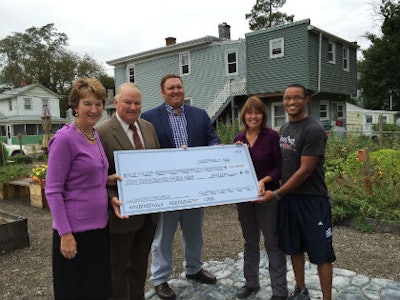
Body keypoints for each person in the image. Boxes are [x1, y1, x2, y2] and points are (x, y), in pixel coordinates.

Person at [141, 74, 221, 300]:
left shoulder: (200, 114)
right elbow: (146, 150)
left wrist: (218, 149)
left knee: (194, 232)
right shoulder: (149, 118)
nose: (176, 91)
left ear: (183, 89)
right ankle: (160, 278)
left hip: (195, 187)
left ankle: (194, 269)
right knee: (163, 236)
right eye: (170, 88)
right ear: (163, 92)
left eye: (179, 86)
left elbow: (211, 139)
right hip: (167, 188)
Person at [257, 84, 336, 300]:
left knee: (322, 254)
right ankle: (301, 290)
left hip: (312, 200)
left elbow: (305, 171)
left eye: (296, 98)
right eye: (287, 98)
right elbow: (281, 165)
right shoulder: (284, 129)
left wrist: (276, 194)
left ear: (306, 99)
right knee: (294, 247)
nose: (291, 102)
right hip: (289, 200)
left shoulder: (313, 130)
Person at [45, 78, 119, 300]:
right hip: (75, 231)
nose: (94, 109)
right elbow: (53, 190)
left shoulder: (93, 134)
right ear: (75, 106)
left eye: (98, 104)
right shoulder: (64, 139)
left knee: (98, 288)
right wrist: (65, 234)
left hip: (99, 227)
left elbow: (84, 178)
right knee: (76, 291)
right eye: (87, 103)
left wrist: (107, 183)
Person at [96, 82, 160, 300]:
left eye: (137, 103)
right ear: (115, 103)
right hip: (121, 214)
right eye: (128, 102)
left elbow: (157, 166)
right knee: (118, 268)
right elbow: (96, 177)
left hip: (149, 214)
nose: (133, 107)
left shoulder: (148, 128)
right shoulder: (101, 133)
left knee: (140, 264)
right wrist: (110, 198)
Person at [233, 96, 288, 300]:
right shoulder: (239, 139)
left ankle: (279, 291)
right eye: (249, 112)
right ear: (244, 115)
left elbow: (279, 168)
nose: (253, 116)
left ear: (262, 115)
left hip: (267, 197)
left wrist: (264, 181)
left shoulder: (271, 136)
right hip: (245, 199)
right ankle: (251, 283)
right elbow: (233, 169)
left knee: (272, 241)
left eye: (257, 112)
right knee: (250, 241)